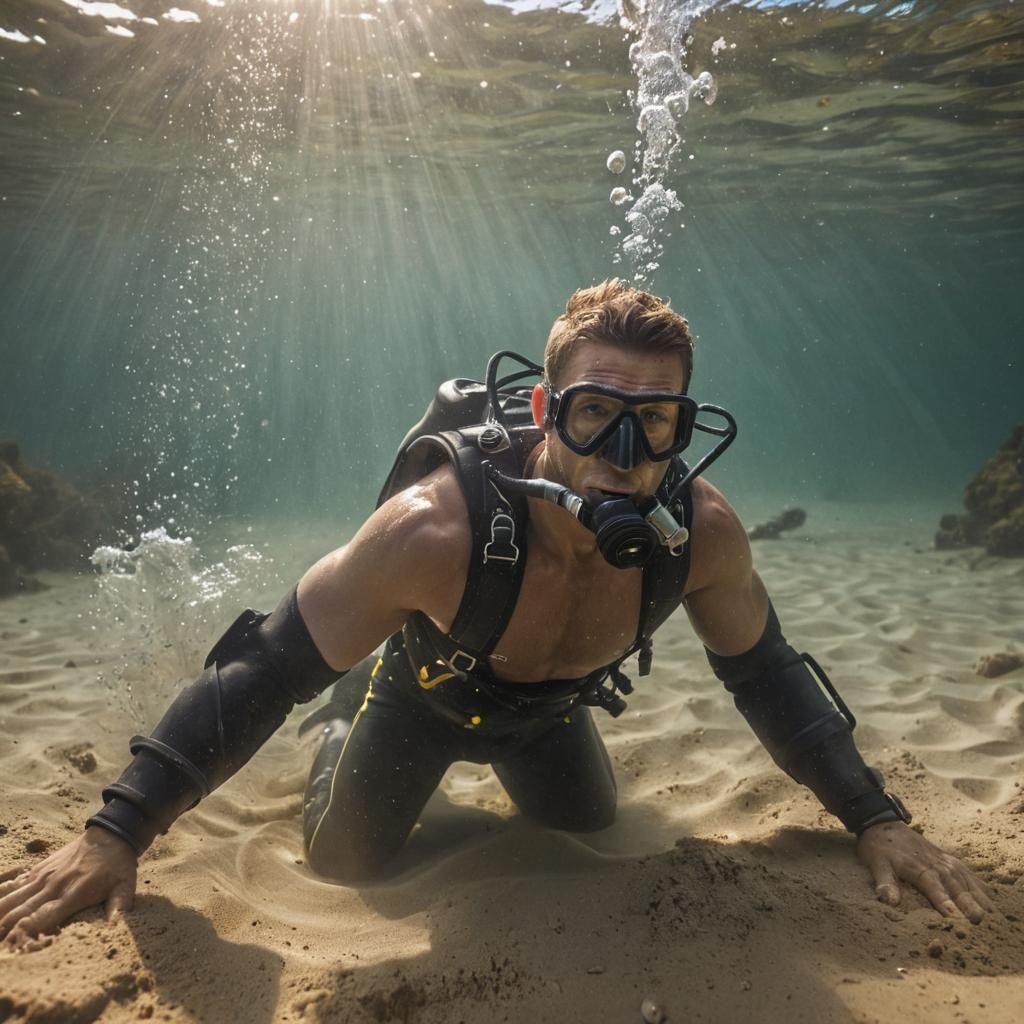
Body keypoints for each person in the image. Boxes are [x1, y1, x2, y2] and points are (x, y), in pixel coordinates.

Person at [0, 281, 994, 946]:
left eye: (657, 421)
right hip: (419, 695)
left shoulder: (702, 534)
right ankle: (346, 726)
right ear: (539, 414)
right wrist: (116, 832)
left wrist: (874, 819)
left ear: (686, 427)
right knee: (344, 857)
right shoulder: (431, 532)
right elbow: (265, 664)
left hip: (551, 712)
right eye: (592, 411)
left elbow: (768, 675)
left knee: (588, 818)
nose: (623, 447)